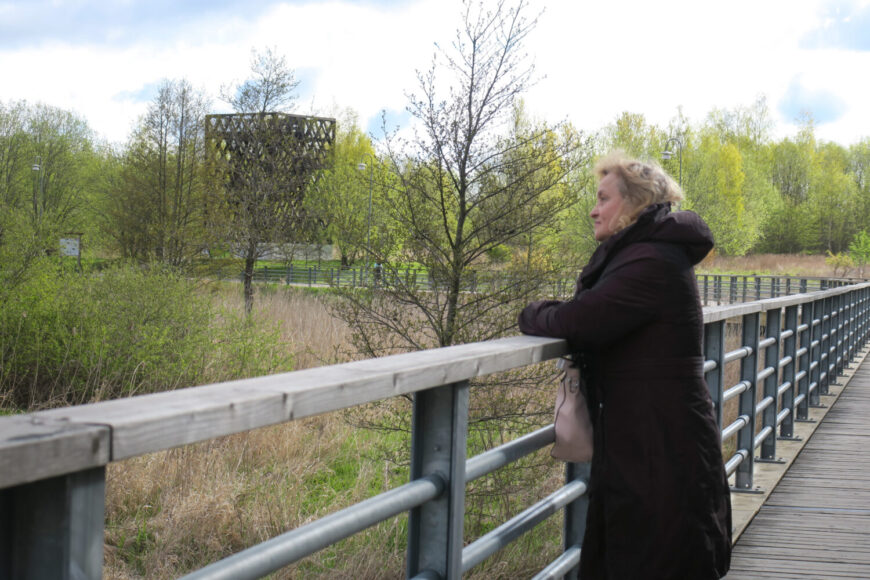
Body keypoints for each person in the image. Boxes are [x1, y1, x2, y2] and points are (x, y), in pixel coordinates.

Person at [518, 151, 731, 579]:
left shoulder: (650, 262)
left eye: (603, 199)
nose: (593, 210)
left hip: (660, 449)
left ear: (635, 204)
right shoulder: (647, 254)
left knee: (655, 558)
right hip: (651, 441)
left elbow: (581, 321)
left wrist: (532, 311)